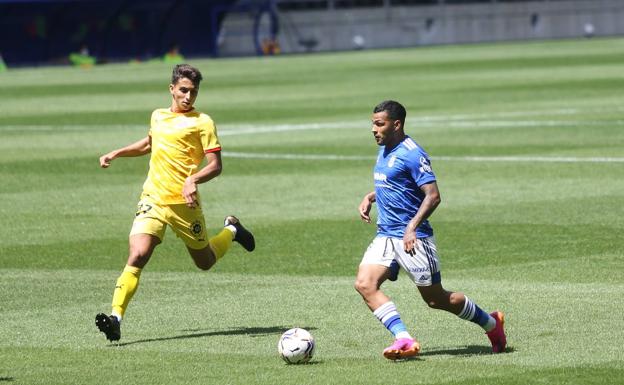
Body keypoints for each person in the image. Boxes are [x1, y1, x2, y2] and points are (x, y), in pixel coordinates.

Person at [95, 64, 255, 342]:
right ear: (172, 89)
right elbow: (148, 144)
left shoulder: (202, 122)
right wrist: (117, 152)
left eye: (193, 92)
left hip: (184, 205)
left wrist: (193, 180)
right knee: (138, 254)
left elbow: (215, 165)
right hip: (153, 198)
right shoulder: (158, 116)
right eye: (183, 90)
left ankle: (232, 230)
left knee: (204, 261)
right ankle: (116, 317)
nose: (188, 97)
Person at [355, 100, 506, 360]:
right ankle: (403, 338)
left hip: (413, 238)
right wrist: (372, 197)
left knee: (436, 300)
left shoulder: (413, 154)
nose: (373, 129)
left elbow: (433, 196)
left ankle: (491, 323)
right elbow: (397, 185)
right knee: (364, 284)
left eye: (379, 124)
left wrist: (411, 228)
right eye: (372, 123)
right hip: (386, 235)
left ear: (396, 124)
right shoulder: (385, 147)